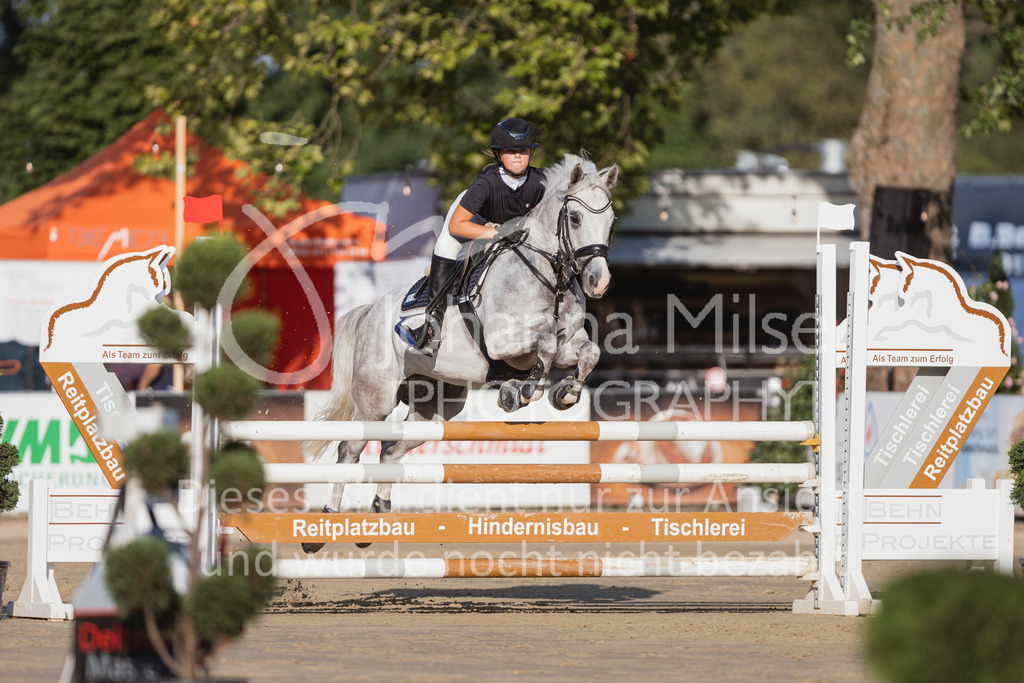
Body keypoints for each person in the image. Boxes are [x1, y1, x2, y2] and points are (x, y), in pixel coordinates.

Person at [401, 117, 547, 355]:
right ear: (499, 155)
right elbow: (457, 226)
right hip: (474, 221)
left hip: (517, 230)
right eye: (511, 151)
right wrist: (496, 233)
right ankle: (432, 323)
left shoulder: (541, 181)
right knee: (446, 247)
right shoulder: (486, 183)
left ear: (531, 152)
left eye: (523, 150)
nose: (518, 156)